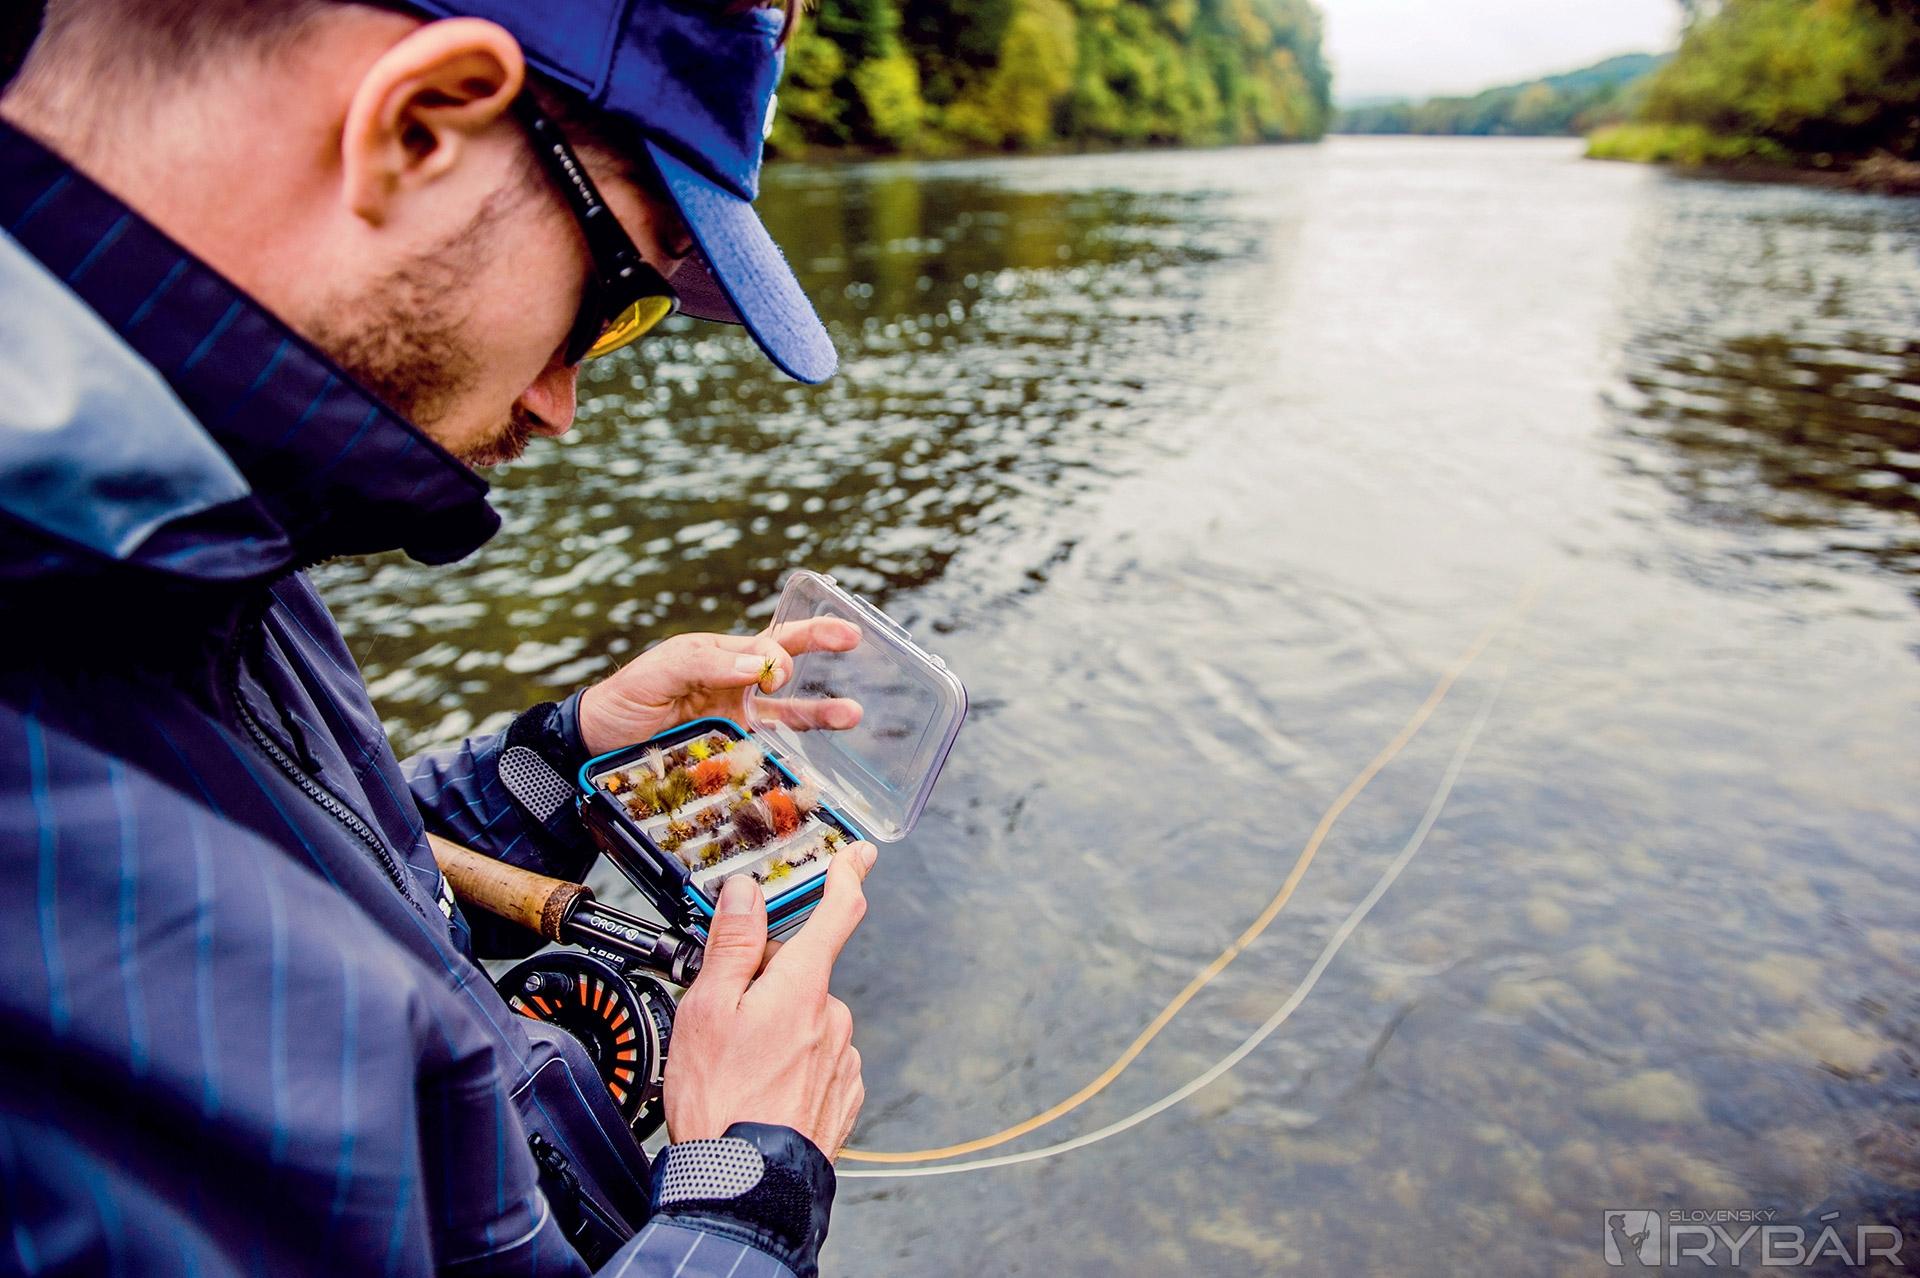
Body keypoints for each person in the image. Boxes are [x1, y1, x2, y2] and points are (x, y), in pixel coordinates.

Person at [0, 1, 872, 1274]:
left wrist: (563, 758)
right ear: (418, 127)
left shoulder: (188, 533)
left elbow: (311, 870)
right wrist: (744, 1199)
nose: (562, 404)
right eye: (616, 298)